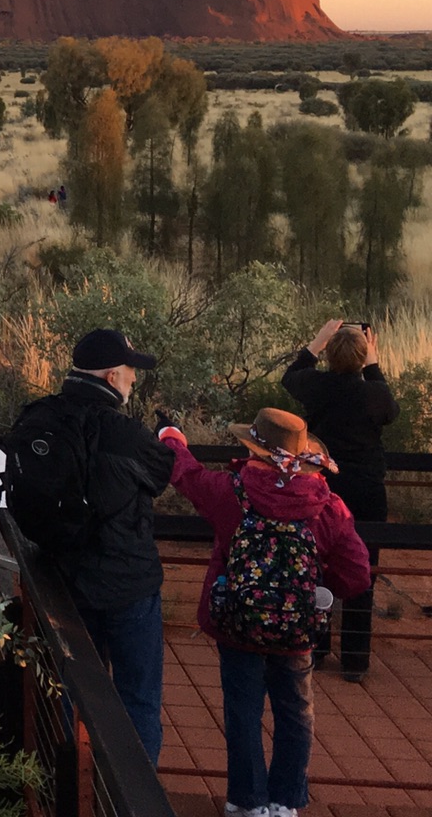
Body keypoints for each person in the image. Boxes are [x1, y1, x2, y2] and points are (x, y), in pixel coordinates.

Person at [157, 410, 369, 817]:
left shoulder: (231, 491)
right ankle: (286, 801)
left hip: (238, 621)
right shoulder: (326, 503)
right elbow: (357, 572)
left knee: (243, 711)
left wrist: (171, 437)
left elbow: (186, 475)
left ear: (255, 448)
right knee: (295, 712)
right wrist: (313, 592)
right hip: (296, 630)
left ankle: (247, 800)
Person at [5, 328, 177, 763]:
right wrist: (170, 438)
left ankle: (70, 789)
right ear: (112, 375)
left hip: (65, 579)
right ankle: (132, 798)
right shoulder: (126, 432)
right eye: (130, 373)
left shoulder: (40, 417)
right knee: (138, 698)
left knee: (74, 691)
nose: (134, 381)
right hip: (128, 584)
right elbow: (159, 475)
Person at [283, 318, 396, 680]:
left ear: (329, 355)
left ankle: (316, 645)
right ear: (363, 357)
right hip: (366, 490)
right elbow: (390, 411)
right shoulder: (374, 394)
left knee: (317, 561)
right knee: (363, 567)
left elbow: (291, 377)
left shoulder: (317, 386)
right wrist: (373, 363)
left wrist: (315, 344)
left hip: (324, 487)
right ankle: (356, 657)